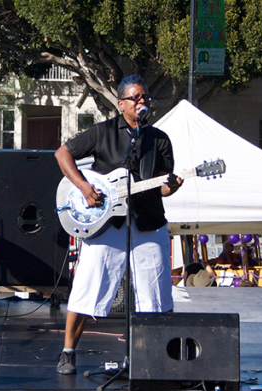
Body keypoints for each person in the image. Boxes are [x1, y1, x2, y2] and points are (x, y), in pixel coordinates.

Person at [54, 75, 183, 375]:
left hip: (148, 223)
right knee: (88, 285)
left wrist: (173, 186)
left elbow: (163, 186)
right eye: (135, 97)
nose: (142, 101)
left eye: (145, 96)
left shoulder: (160, 139)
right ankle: (68, 352)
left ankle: (156, 357)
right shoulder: (104, 132)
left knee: (156, 292)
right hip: (107, 224)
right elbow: (63, 153)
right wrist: (85, 187)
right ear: (121, 103)